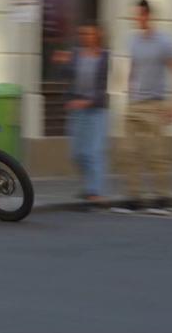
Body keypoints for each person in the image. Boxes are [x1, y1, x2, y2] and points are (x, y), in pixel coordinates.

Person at [116, 0, 172, 215]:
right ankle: (134, 197)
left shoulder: (165, 42)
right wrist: (127, 93)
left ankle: (163, 197)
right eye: (134, 15)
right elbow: (133, 69)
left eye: (138, 15)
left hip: (156, 104)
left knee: (157, 153)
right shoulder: (133, 41)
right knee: (129, 151)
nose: (135, 19)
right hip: (135, 104)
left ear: (147, 16)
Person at [53, 22, 111, 208]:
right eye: (83, 33)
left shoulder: (105, 57)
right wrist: (60, 61)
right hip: (77, 109)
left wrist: (88, 101)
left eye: (90, 33)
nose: (86, 36)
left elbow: (106, 86)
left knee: (93, 151)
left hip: (96, 110)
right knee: (77, 153)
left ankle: (94, 192)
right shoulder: (76, 54)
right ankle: (88, 187)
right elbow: (65, 74)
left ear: (98, 35)